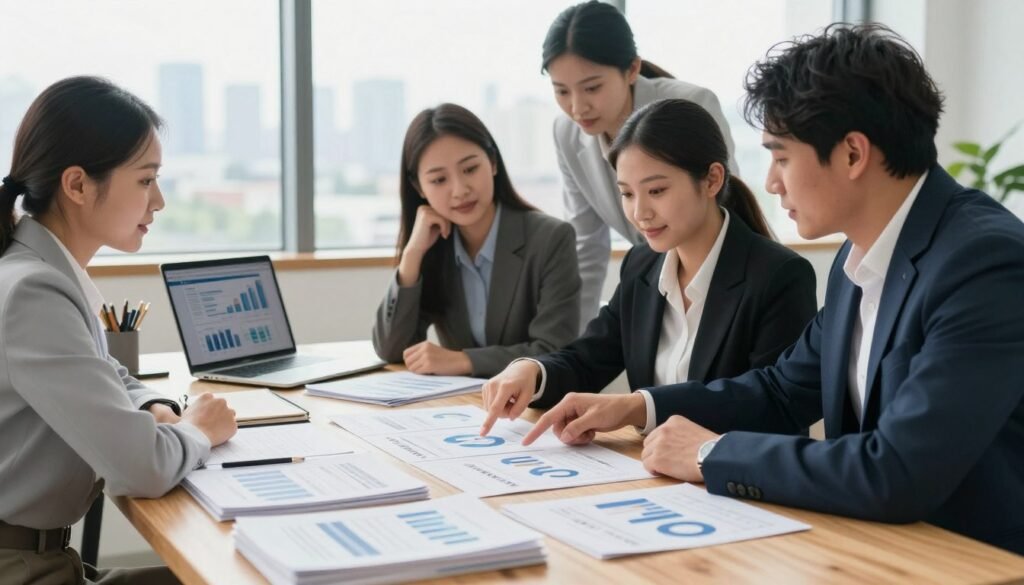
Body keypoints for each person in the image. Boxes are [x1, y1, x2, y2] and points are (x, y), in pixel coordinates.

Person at [522, 25, 1024, 555]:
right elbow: (783, 391)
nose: (771, 182)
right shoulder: (860, 258)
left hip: (973, 560)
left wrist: (710, 454)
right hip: (876, 547)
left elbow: (897, 470)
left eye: (781, 157)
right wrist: (638, 407)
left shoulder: (983, 263)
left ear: (853, 154)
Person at [0, 77, 238, 584]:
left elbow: (106, 372)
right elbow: (143, 468)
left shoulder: (41, 270)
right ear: (78, 185)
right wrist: (197, 429)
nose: (159, 202)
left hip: (41, 559)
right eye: (146, 180)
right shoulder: (33, 292)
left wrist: (155, 406)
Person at [480, 98, 816, 435]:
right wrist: (532, 372)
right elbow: (589, 358)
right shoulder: (641, 266)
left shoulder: (778, 276)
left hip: (731, 479)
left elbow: (768, 405)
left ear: (712, 180)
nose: (640, 212)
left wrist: (637, 407)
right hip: (651, 472)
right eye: (627, 194)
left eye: (656, 190)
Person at [544, 0, 741, 326]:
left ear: (632, 69)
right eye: (562, 91)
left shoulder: (690, 104)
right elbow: (587, 246)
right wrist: (570, 342)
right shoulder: (566, 133)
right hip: (652, 280)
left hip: (722, 277)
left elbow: (726, 206)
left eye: (592, 87)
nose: (577, 107)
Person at [372, 103, 580, 377]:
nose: (460, 190)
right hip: (460, 408)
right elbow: (391, 349)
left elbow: (554, 350)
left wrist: (462, 361)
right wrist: (412, 256)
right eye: (439, 180)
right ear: (418, 187)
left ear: (492, 162)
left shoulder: (551, 239)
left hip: (532, 409)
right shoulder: (433, 248)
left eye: (470, 169)